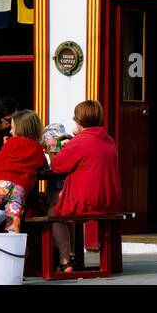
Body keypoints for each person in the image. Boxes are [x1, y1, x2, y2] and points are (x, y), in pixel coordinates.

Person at [49, 100, 121, 272]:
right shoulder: (109, 140)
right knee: (60, 201)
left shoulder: (80, 141)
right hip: (110, 200)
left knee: (53, 210)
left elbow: (57, 165)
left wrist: (64, 145)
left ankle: (65, 261)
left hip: (88, 201)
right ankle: (73, 254)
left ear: (78, 121)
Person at [0, 109, 48, 233]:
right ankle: (14, 244)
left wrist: (5, 146)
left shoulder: (10, 143)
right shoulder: (38, 148)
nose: (10, 131)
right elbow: (43, 164)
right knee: (14, 218)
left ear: (20, 129)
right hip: (20, 188)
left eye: (12, 128)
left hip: (1, 184)